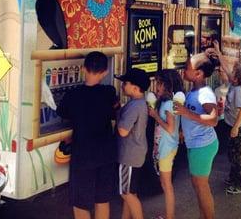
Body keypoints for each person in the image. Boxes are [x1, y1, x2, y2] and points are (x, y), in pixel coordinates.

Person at [57, 51, 119, 219]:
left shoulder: (73, 95)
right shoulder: (109, 92)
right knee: (102, 200)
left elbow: (62, 112)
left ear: (84, 68)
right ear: (105, 72)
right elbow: (114, 110)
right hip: (106, 154)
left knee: (80, 202)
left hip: (83, 156)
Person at [174, 53, 219, 219]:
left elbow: (213, 119)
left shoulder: (205, 93)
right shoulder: (194, 91)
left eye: (187, 68)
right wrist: (182, 130)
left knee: (201, 187)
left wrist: (185, 112)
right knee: (197, 185)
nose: (183, 71)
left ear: (198, 73)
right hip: (196, 144)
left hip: (203, 145)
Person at [148, 69, 183, 219]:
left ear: (167, 85)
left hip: (166, 148)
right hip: (165, 147)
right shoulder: (171, 103)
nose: (157, 87)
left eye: (159, 84)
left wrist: (155, 115)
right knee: (164, 183)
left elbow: (170, 127)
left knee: (166, 185)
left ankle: (170, 216)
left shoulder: (169, 104)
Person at [116, 68, 150, 219]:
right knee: (131, 191)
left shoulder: (133, 106)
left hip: (129, 156)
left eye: (125, 83)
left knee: (126, 194)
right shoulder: (140, 103)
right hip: (136, 154)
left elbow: (123, 131)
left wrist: (116, 115)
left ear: (135, 88)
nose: (123, 85)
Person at [222, 62, 241, 195]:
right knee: (232, 154)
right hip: (231, 125)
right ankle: (233, 178)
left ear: (237, 78)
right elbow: (226, 69)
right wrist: (218, 51)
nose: (229, 73)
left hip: (238, 128)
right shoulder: (234, 84)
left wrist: (236, 127)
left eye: (232, 72)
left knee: (237, 156)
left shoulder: (239, 90)